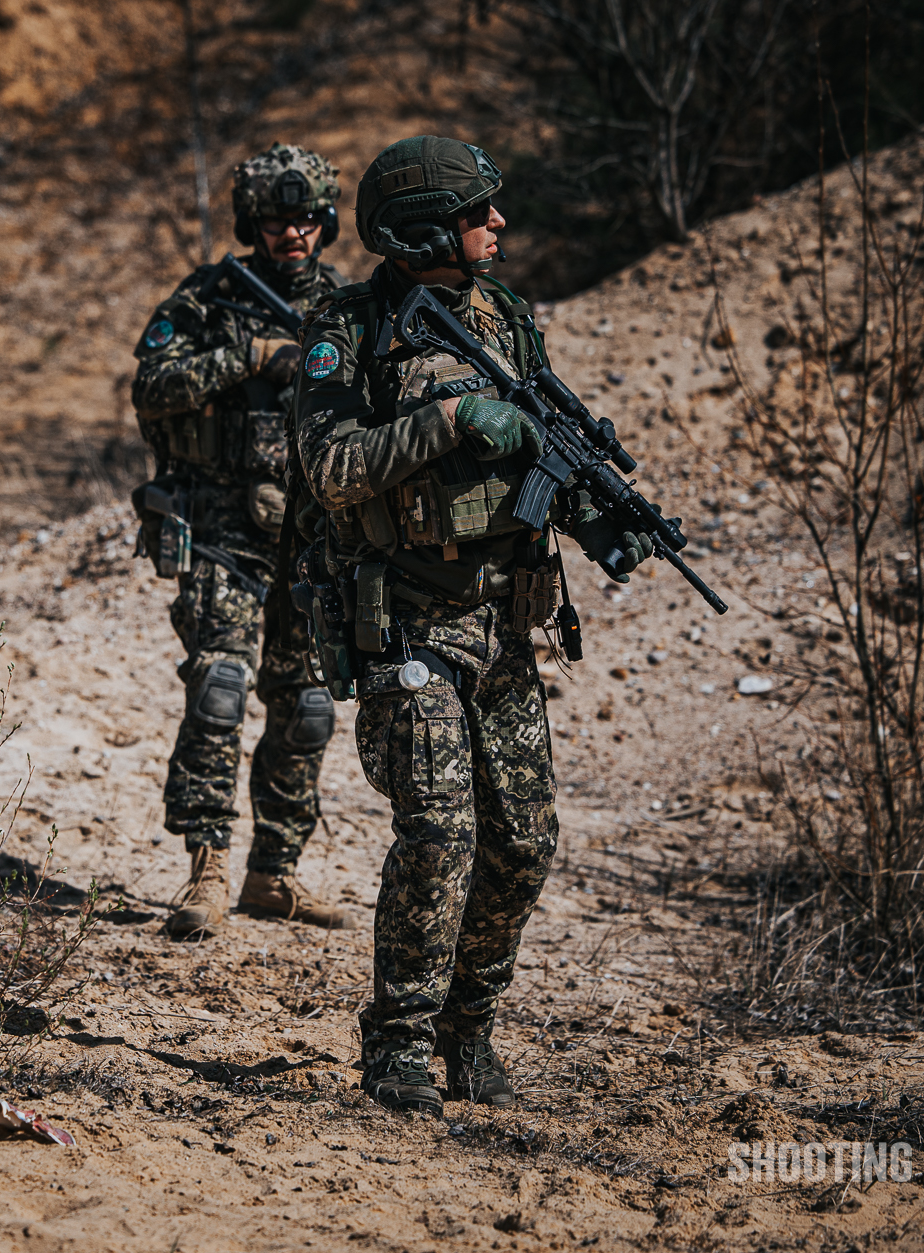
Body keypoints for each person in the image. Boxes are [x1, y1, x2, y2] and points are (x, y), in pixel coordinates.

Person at [288, 136, 655, 1114]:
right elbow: (327, 470)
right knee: (440, 830)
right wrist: (447, 425)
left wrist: (594, 507)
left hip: (503, 631)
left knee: (524, 841)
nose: (497, 225)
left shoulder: (505, 317)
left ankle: (469, 1027)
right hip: (407, 627)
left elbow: (540, 436)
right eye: (476, 212)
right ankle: (398, 1042)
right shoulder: (350, 329)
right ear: (421, 230)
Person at [130, 143, 352, 940]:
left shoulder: (350, 308)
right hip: (225, 532)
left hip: (315, 540)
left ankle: (274, 871)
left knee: (309, 709)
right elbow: (150, 384)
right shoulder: (210, 300)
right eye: (274, 220)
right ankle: (207, 867)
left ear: (325, 221)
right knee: (220, 691)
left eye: (304, 219)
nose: (291, 234)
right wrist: (250, 357)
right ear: (250, 224)